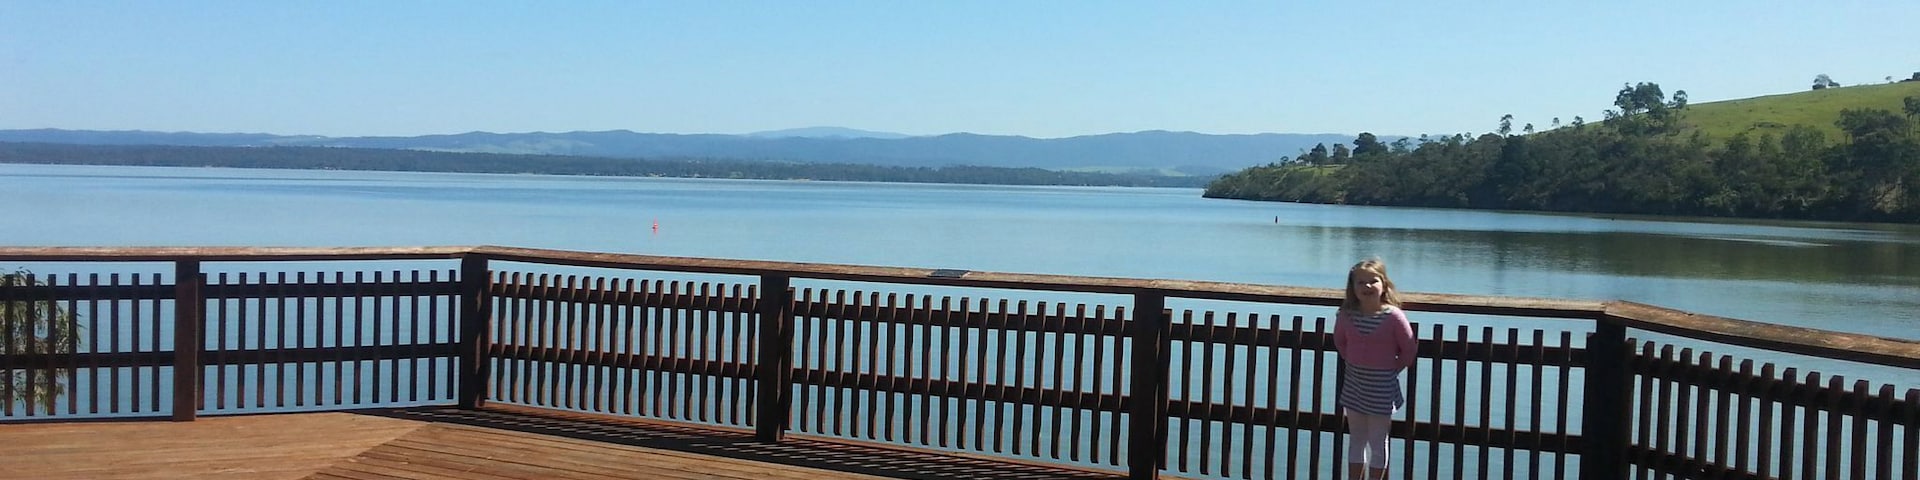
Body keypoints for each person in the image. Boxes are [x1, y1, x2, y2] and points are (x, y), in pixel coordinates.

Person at [1332, 258, 1417, 480]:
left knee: (1378, 441)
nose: (1367, 286)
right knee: (1356, 439)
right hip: (1354, 386)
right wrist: (1352, 361)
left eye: (1373, 281)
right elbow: (1340, 341)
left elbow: (1408, 348)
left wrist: (1392, 370)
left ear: (1384, 284)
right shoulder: (1346, 315)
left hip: (1382, 388)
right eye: (1361, 282)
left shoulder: (1393, 316)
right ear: (1352, 287)